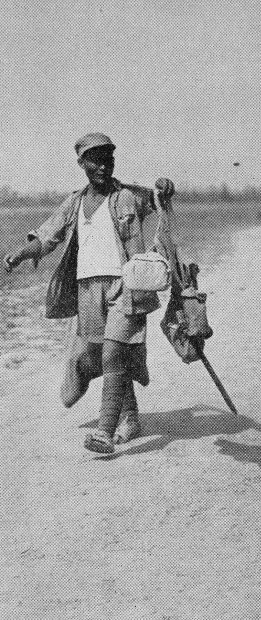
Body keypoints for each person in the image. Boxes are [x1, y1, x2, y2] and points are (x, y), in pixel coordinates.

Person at [3, 133, 174, 453]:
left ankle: (105, 432)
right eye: (95, 160)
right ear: (81, 163)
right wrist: (20, 254)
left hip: (126, 286)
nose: (103, 165)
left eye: (108, 158)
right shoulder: (75, 202)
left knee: (112, 352)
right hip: (87, 289)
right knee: (107, 354)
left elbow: (159, 197)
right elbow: (46, 236)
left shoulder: (128, 197)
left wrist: (164, 187)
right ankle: (130, 417)